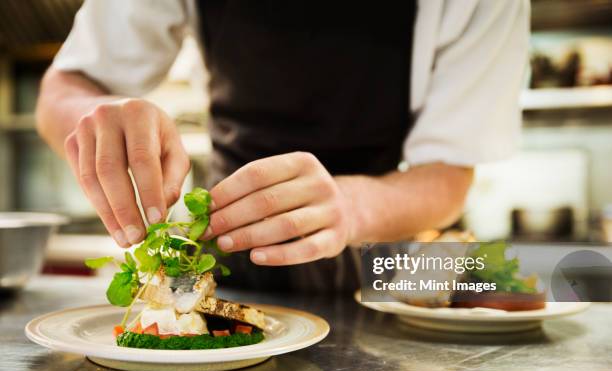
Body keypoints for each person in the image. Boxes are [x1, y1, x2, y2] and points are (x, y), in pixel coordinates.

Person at [36, 0, 529, 291]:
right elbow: (62, 90)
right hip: (229, 262)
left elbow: (447, 177)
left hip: (391, 274)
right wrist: (94, 119)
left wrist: (350, 208)